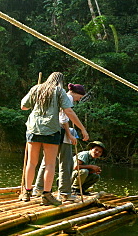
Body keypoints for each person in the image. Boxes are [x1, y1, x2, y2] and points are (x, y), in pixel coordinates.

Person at [20, 73, 88, 206]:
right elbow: (68, 111)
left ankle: (26, 192)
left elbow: (24, 106)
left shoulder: (36, 88)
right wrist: (82, 129)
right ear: (60, 82)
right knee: (50, 164)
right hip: (51, 130)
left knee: (31, 162)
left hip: (33, 128)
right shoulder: (59, 91)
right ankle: (46, 195)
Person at [35, 83, 89, 200]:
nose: (78, 100)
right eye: (79, 97)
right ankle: (64, 193)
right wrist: (71, 134)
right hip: (60, 132)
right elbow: (63, 119)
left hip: (50, 131)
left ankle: (38, 189)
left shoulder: (57, 96)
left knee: (47, 161)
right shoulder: (67, 98)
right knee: (66, 163)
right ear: (75, 93)